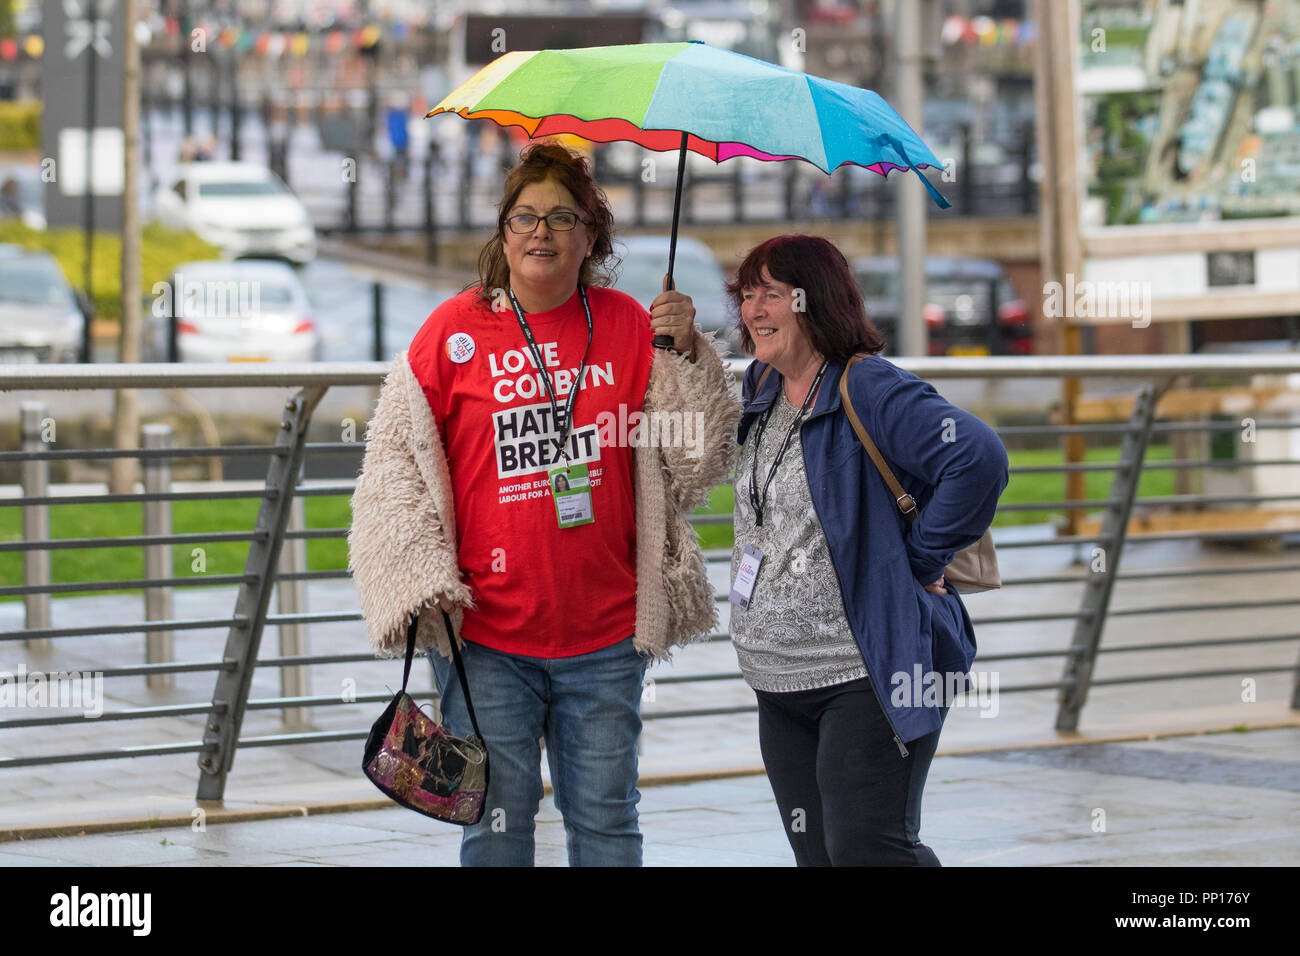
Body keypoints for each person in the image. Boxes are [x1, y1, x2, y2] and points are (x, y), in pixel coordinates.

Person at [349, 142, 739, 867]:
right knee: (495, 826)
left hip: (606, 635)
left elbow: (697, 460)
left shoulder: (630, 325)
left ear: (592, 235)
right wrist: (420, 580)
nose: (542, 232)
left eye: (563, 216)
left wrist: (686, 353)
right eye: (525, 216)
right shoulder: (453, 332)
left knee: (605, 825)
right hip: (489, 639)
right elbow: (393, 463)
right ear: (502, 233)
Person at [727, 235, 1008, 866]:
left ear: (815, 300)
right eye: (746, 295)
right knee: (820, 856)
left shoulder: (868, 387)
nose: (753, 310)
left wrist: (923, 559)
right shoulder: (763, 390)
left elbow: (979, 456)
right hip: (778, 680)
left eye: (771, 293)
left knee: (869, 850)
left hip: (870, 674)